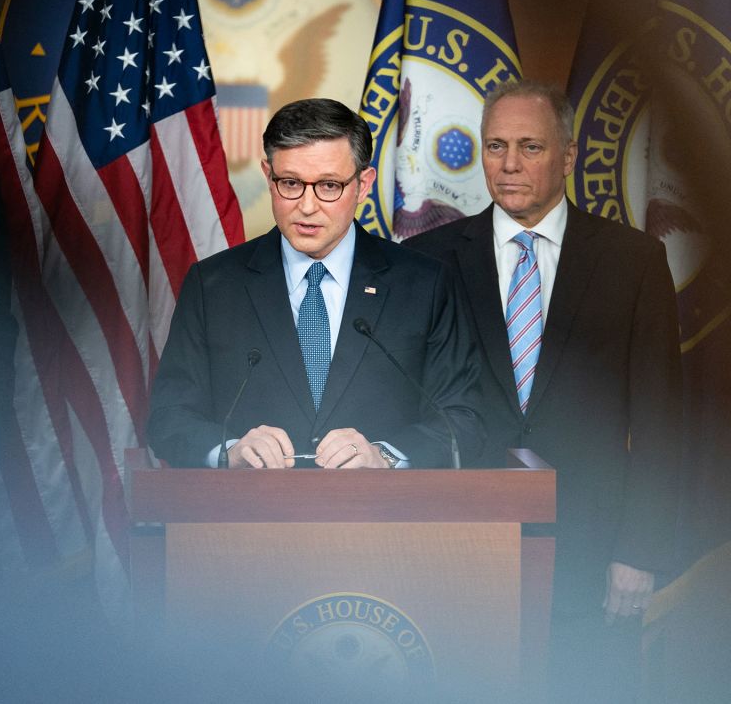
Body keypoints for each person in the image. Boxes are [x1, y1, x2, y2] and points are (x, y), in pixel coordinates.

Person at [404, 81, 682, 700]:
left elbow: (663, 420)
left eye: (529, 146)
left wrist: (641, 549)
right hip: (461, 553)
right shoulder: (425, 261)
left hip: (592, 557)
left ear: (569, 154)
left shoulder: (633, 261)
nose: (507, 164)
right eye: (495, 145)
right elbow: (407, 409)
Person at [147, 98, 482, 469]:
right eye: (290, 183)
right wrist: (229, 450)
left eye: (328, 186)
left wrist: (384, 455)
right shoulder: (213, 286)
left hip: (381, 519)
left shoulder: (424, 284)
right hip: (249, 517)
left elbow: (464, 418)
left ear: (363, 184)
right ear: (267, 176)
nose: (307, 206)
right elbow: (168, 417)